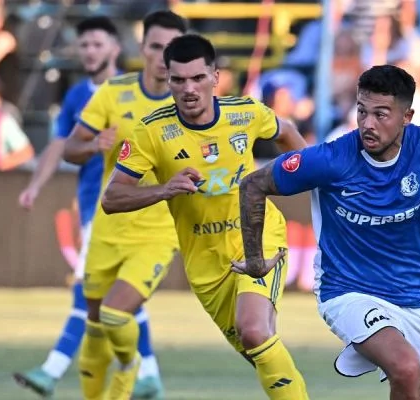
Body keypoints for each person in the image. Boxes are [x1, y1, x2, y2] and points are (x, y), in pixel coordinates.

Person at [233, 64, 420, 400]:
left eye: (380, 114)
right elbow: (253, 185)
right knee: (407, 368)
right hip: (347, 289)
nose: (368, 124)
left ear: (407, 116)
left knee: (418, 391)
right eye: (362, 111)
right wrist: (255, 260)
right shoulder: (332, 158)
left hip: (414, 295)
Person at [101, 34, 311, 400]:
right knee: (258, 351)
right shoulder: (151, 132)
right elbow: (111, 198)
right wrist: (164, 189)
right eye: (179, 80)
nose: (189, 89)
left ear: (215, 77)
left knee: (254, 331)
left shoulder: (246, 112)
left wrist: (313, 180)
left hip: (256, 236)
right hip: (206, 263)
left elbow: (288, 133)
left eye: (198, 78)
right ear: (168, 80)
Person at [12, 16, 165, 399]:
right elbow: (61, 145)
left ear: (116, 48)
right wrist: (36, 185)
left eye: (97, 44)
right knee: (118, 299)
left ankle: (53, 369)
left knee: (95, 297)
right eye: (84, 45)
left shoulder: (140, 92)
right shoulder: (79, 95)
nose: (90, 52)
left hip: (129, 211)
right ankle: (148, 373)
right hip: (93, 207)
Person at [62, 11, 188, 400]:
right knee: (95, 325)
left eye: (172, 49)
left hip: (156, 234)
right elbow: (70, 148)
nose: (163, 57)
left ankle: (130, 368)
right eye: (156, 47)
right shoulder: (114, 93)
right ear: (142, 48)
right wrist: (93, 145)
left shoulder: (192, 104)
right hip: (108, 226)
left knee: (116, 315)